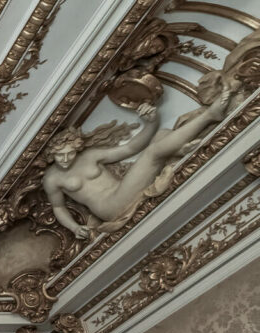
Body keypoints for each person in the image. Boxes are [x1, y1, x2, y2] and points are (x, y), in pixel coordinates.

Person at [43, 87, 233, 239]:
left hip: (123, 190)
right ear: (52, 154)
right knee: (152, 153)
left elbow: (131, 148)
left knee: (163, 134)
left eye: (69, 154)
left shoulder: (89, 156)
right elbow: (58, 207)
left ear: (76, 149)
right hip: (112, 207)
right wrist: (75, 228)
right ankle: (210, 115)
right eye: (60, 156)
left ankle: (175, 150)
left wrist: (151, 123)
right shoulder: (52, 178)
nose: (66, 159)